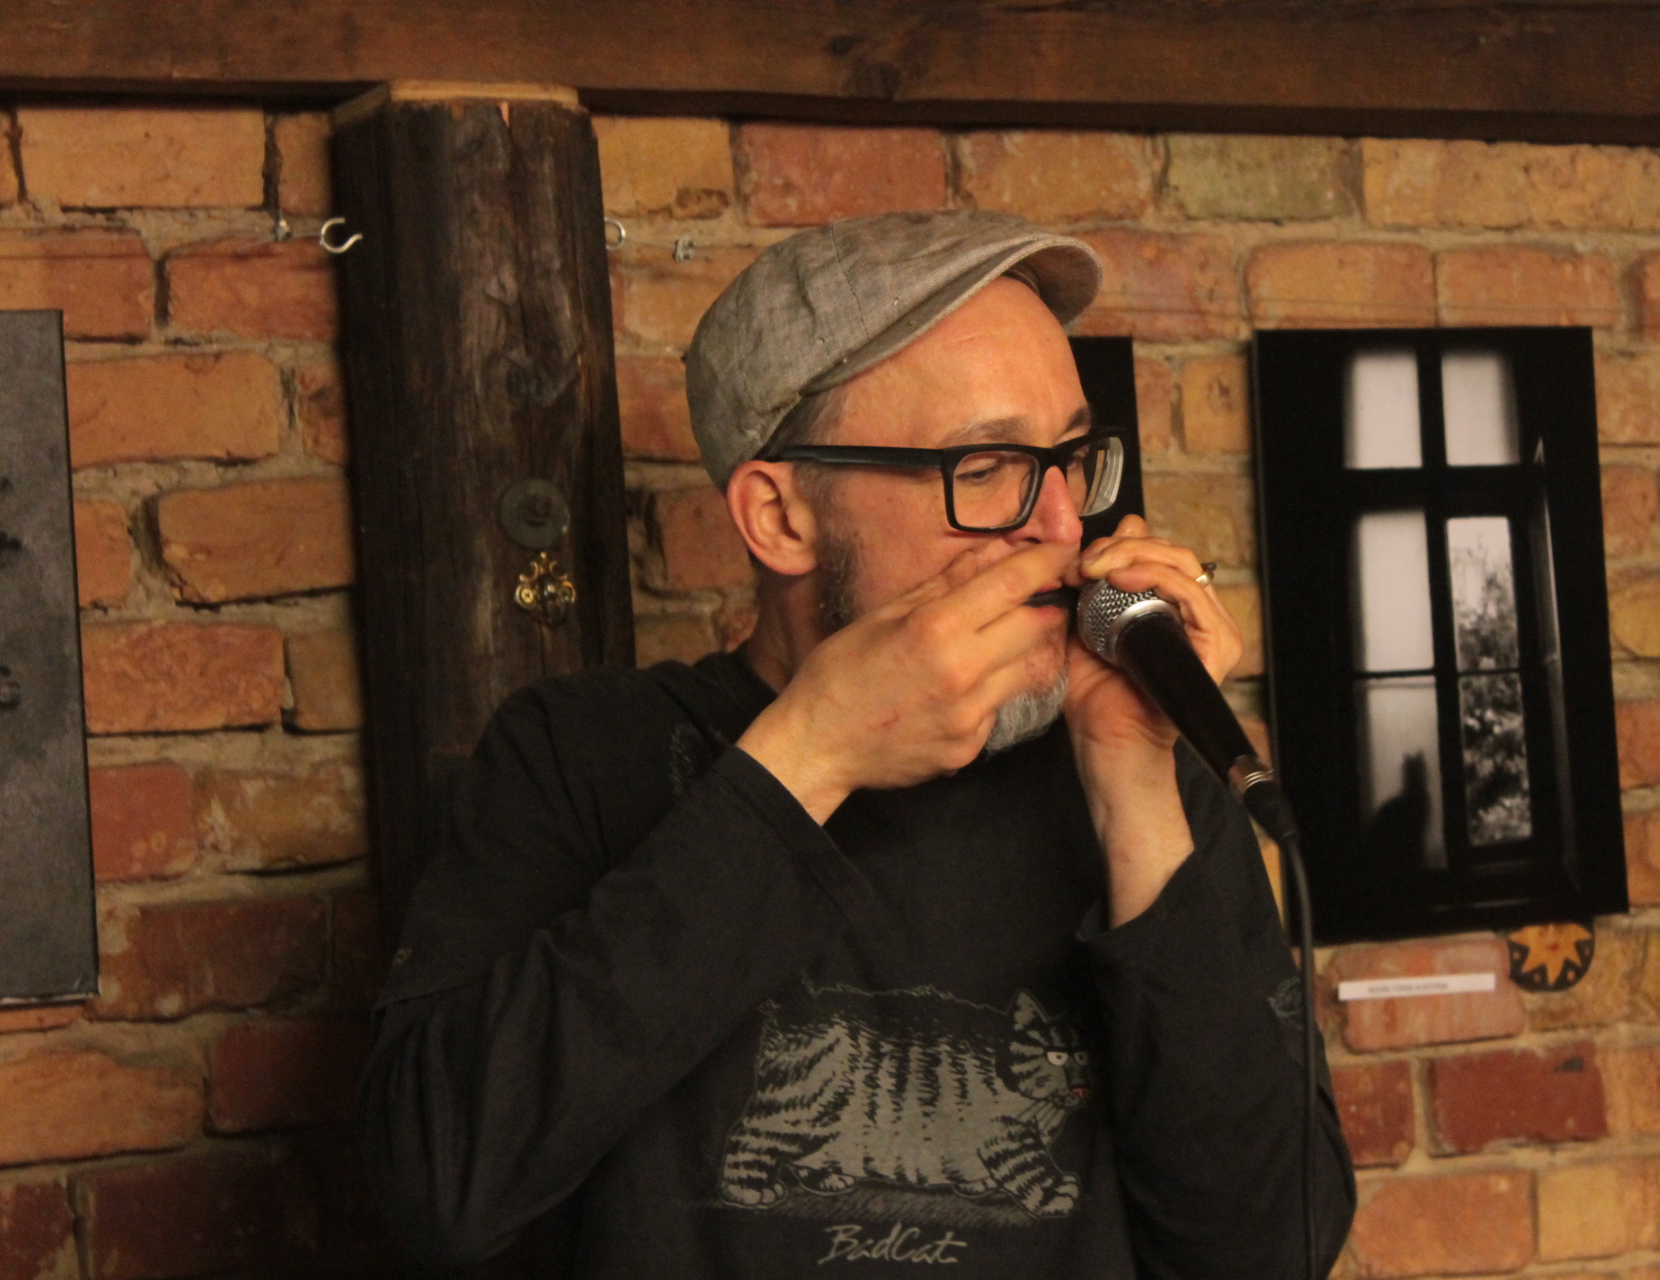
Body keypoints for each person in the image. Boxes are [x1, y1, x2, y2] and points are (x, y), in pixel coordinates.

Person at [360, 210, 1356, 1279]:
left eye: (1070, 458)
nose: (1064, 526)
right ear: (781, 517)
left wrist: (1132, 783)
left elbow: (1270, 1249)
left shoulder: (1141, 770)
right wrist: (813, 755)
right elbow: (436, 1190)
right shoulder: (581, 754)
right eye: (988, 466)